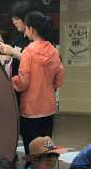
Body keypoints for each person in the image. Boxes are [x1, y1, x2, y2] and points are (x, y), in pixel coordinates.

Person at [11, 11, 64, 157]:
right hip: (48, 107)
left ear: (32, 29)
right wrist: (49, 87)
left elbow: (23, 82)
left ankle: (32, 168)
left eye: (27, 27)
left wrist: (12, 80)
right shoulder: (53, 51)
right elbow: (59, 78)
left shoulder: (28, 52)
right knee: (46, 147)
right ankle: (46, 168)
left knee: (32, 149)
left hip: (30, 109)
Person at [0, 0, 33, 80]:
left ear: (26, 19)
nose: (14, 22)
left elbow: (33, 63)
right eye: (13, 19)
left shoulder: (34, 40)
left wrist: (13, 51)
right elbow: (9, 58)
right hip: (15, 83)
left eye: (17, 19)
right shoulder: (18, 38)